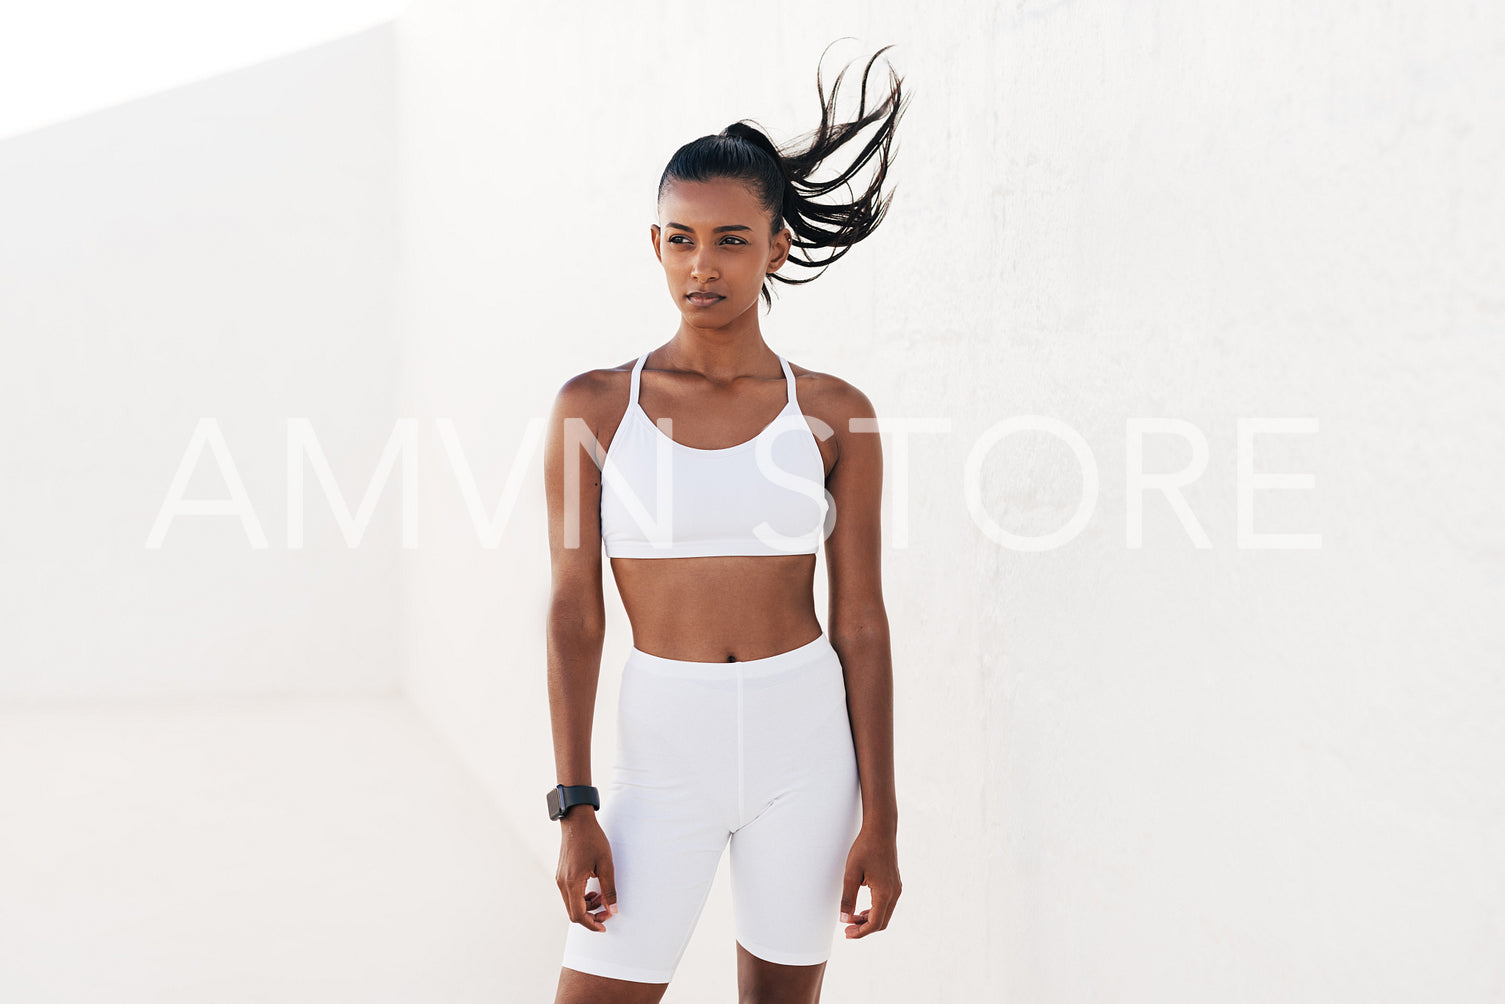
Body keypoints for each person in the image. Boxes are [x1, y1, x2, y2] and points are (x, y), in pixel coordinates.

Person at [542, 43, 908, 1004]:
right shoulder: (595, 407)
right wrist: (573, 803)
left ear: (777, 246)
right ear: (655, 242)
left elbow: (861, 623)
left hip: (806, 754)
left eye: (731, 240)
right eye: (679, 238)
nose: (701, 265)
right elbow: (574, 615)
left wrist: (883, 822)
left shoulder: (833, 412)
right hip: (661, 755)